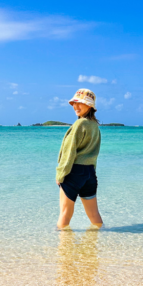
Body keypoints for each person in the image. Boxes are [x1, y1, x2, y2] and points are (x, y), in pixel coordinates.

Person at [55, 88, 104, 229]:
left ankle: (62, 246)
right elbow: (95, 152)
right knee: (94, 215)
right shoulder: (95, 126)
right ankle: (98, 241)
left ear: (89, 106)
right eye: (74, 104)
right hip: (89, 173)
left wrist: (61, 174)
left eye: (79, 103)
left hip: (74, 172)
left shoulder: (79, 124)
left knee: (65, 214)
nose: (75, 106)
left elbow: (69, 152)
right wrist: (91, 172)